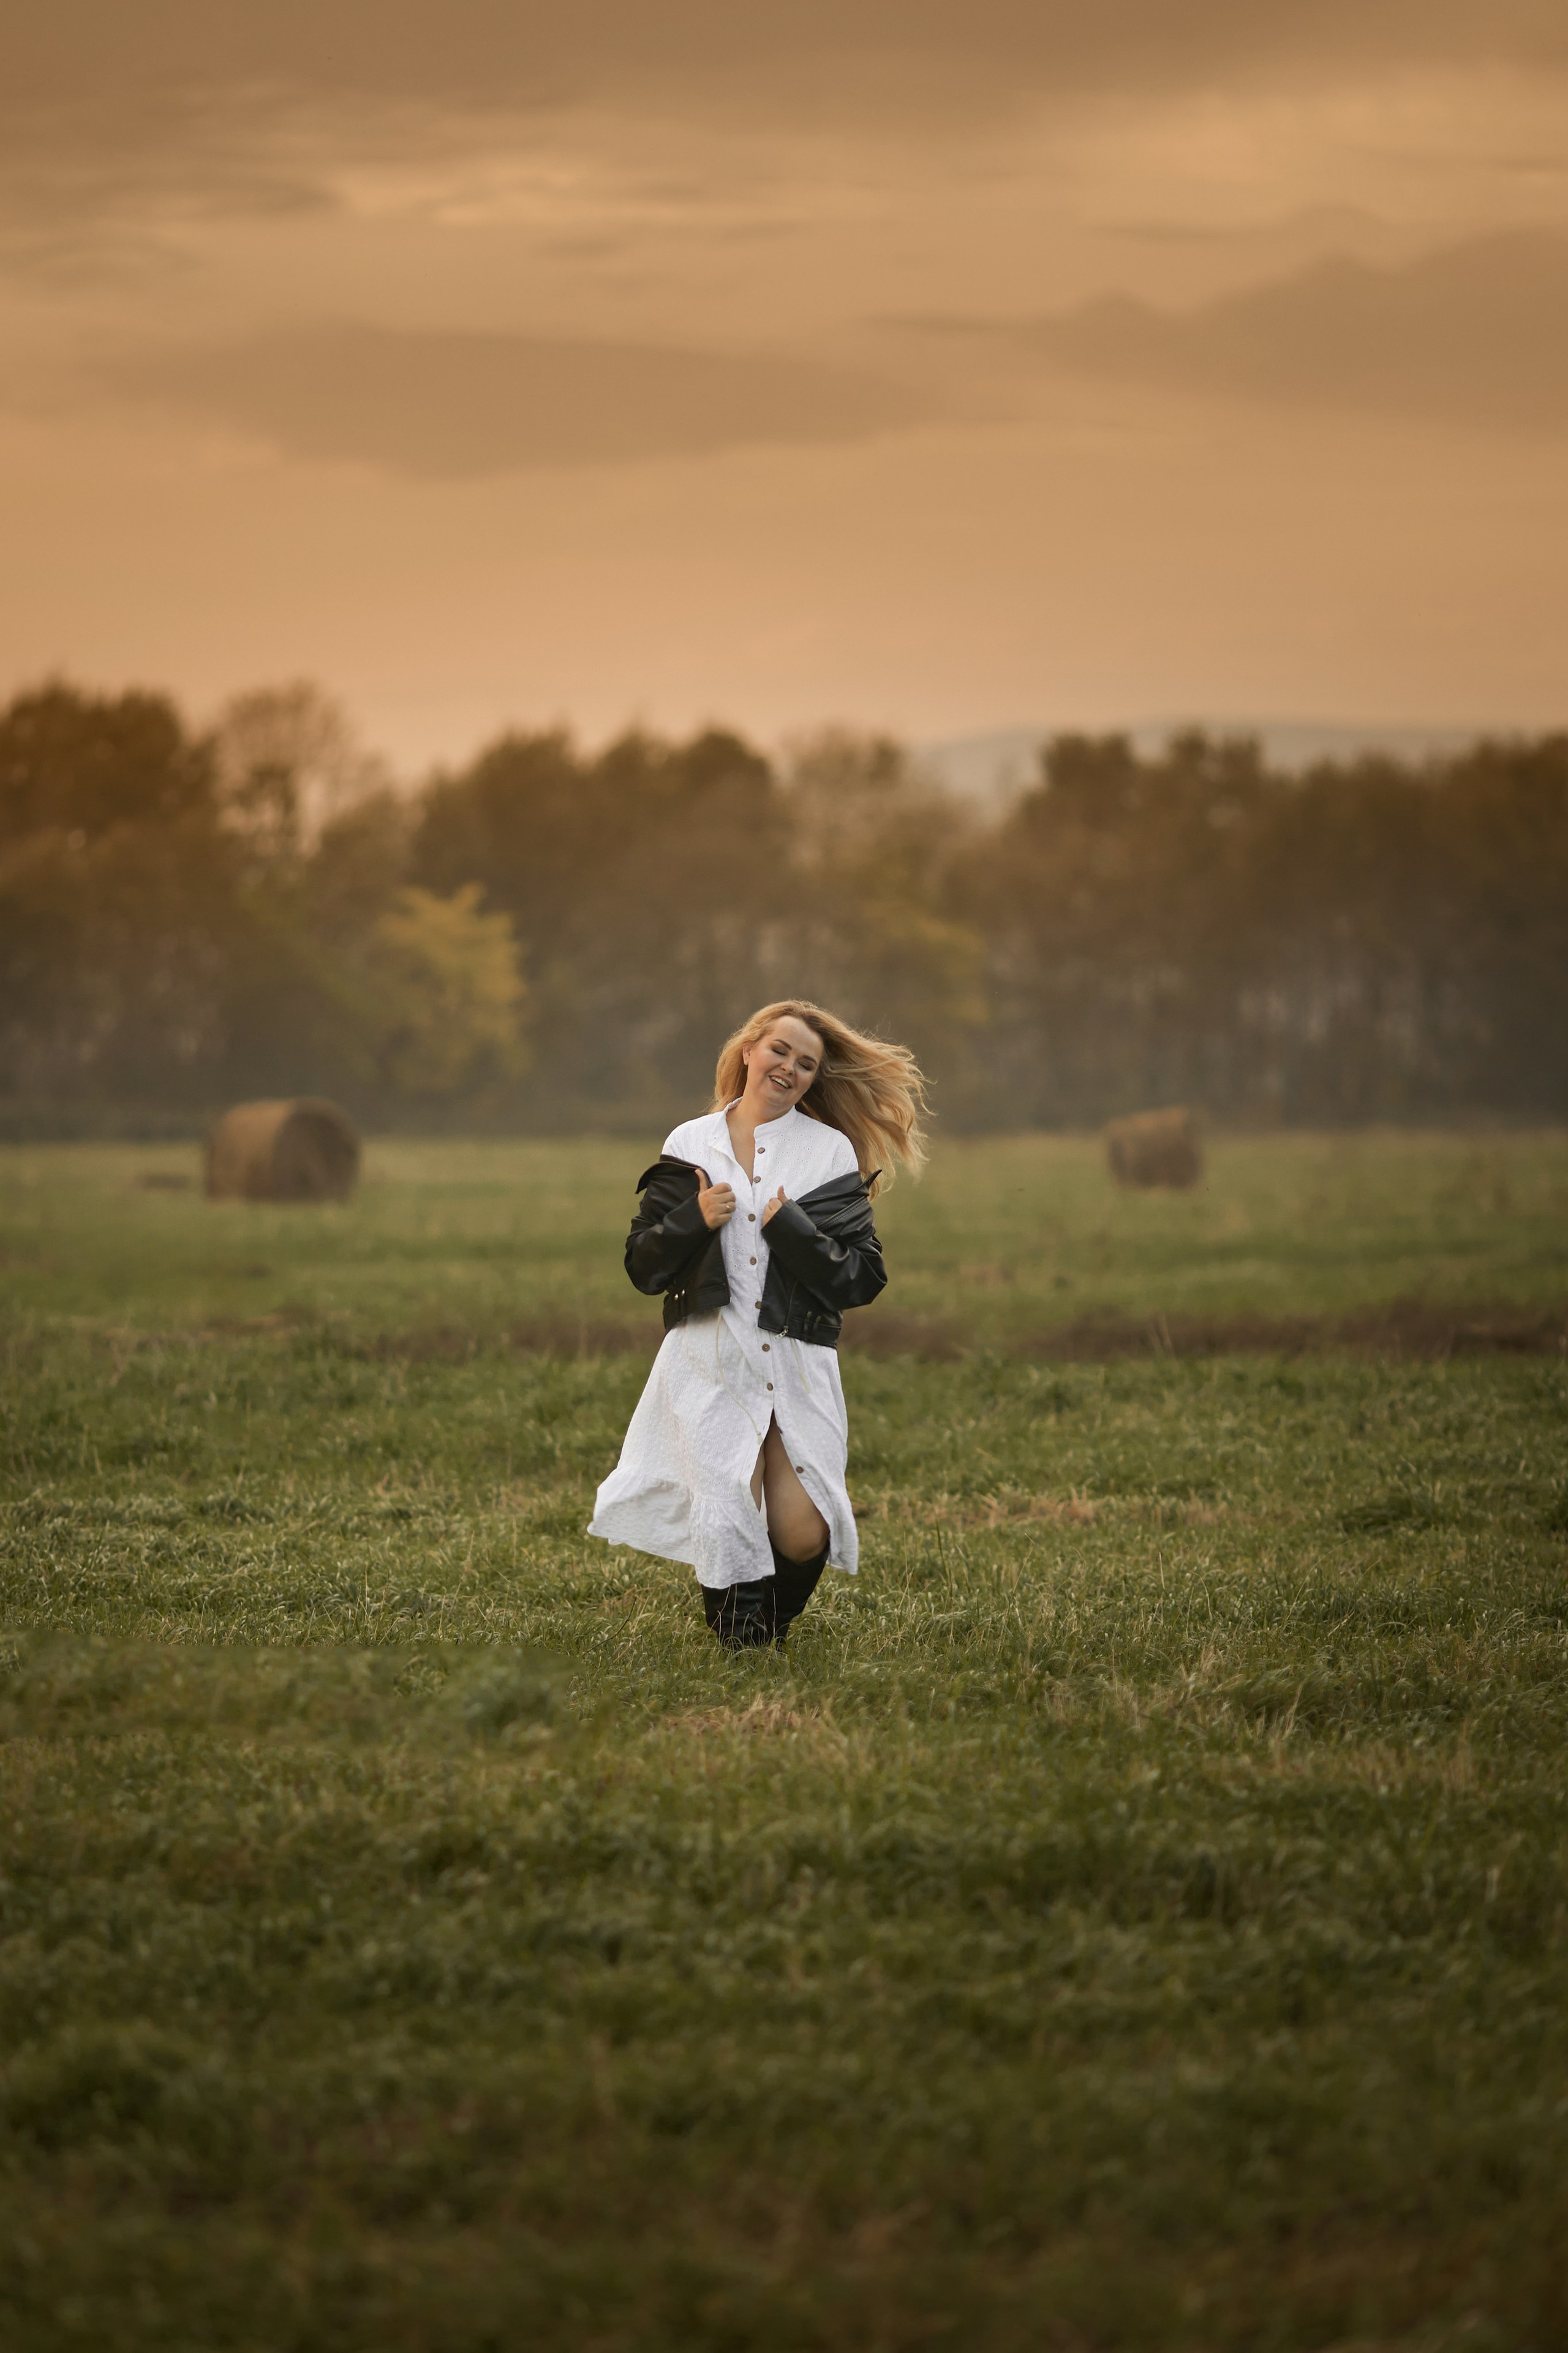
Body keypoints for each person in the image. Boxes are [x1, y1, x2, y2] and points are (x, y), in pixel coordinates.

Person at [588, 1000, 927, 1649]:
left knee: (803, 1530)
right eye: (780, 1050)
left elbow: (862, 1277)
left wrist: (793, 1231)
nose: (790, 1068)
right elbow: (643, 1265)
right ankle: (744, 1651)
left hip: (795, 1361)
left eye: (806, 1064)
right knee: (727, 1517)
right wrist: (693, 1219)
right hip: (708, 1357)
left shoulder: (828, 1151)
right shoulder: (690, 1143)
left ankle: (763, 1629)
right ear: (749, 1050)